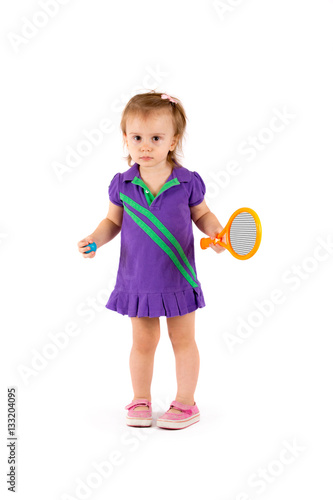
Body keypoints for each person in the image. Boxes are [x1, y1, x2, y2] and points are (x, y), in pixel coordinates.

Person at [77, 91, 226, 430]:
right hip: (138, 279)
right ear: (126, 139)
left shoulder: (187, 181)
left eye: (156, 138)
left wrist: (216, 232)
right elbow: (112, 222)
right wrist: (94, 240)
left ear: (173, 141)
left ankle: (186, 403)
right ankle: (140, 399)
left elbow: (203, 215)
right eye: (137, 138)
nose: (145, 146)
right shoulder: (122, 184)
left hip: (178, 278)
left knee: (183, 340)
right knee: (143, 342)